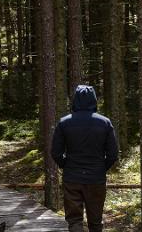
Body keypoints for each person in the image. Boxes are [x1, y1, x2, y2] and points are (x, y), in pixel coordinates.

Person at [51, 85, 119, 232]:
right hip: (96, 179)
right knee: (95, 222)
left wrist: (66, 166)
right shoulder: (105, 122)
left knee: (74, 221)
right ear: (94, 100)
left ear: (74, 100)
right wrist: (100, 168)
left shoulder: (64, 122)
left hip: (72, 178)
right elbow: (113, 154)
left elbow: (56, 152)